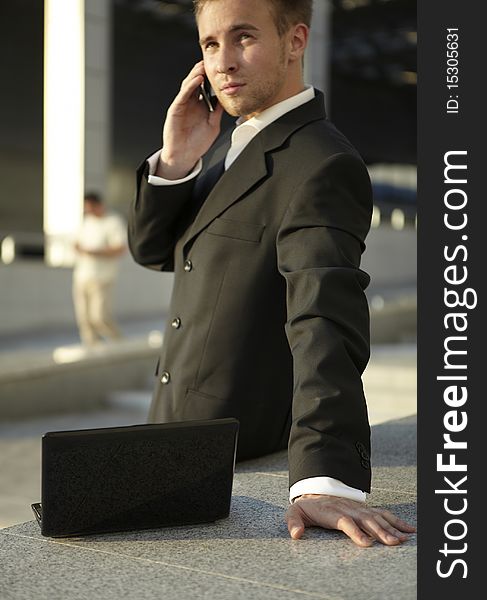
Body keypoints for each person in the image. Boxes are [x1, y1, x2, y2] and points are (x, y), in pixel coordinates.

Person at [128, 0, 416, 546]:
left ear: (296, 40)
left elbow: (324, 317)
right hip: (173, 437)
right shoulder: (227, 149)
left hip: (235, 458)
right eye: (210, 44)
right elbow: (154, 249)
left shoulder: (321, 162)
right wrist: (176, 156)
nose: (223, 62)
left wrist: (324, 478)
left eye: (243, 38)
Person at [73, 192, 127, 347]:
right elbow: (77, 243)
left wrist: (95, 252)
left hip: (102, 278)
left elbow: (120, 248)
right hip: (82, 276)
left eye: (90, 208)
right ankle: (91, 349)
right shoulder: (85, 223)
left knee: (99, 317)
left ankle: (119, 345)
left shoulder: (113, 222)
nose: (88, 211)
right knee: (84, 319)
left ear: (99, 205)